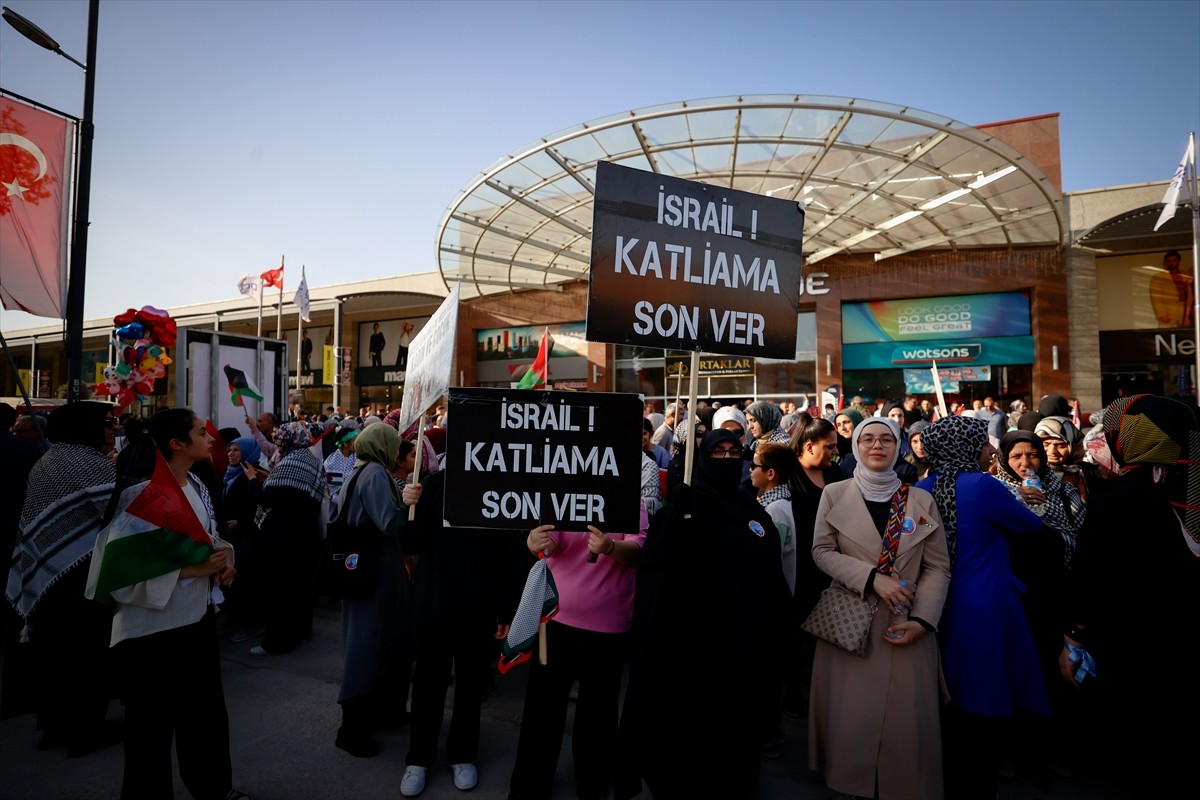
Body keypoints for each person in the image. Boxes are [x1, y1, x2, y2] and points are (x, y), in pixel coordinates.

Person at [84, 408, 249, 800]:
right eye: (201, 432)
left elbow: (205, 541)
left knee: (205, 716)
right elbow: (120, 575)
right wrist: (195, 570)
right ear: (177, 443)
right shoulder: (141, 496)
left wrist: (223, 562)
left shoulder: (195, 484)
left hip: (197, 620)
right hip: (152, 633)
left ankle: (214, 788)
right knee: (150, 729)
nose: (211, 438)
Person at [617, 429, 789, 799]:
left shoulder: (751, 513)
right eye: (718, 452)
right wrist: (678, 523)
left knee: (733, 724)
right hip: (689, 644)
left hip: (738, 644)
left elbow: (767, 575)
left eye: (733, 453)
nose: (726, 459)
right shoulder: (682, 509)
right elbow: (656, 573)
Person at [1058, 395, 1200, 792]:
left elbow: (1090, 576)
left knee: (1138, 744)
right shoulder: (1189, 489)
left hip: (1131, 644)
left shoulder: (1116, 501)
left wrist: (1074, 634)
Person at [808, 416, 950, 800]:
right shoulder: (835, 493)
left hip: (906, 623)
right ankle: (851, 782)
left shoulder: (920, 499)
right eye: (867, 438)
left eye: (886, 439)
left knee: (906, 717)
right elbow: (821, 551)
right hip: (851, 622)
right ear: (855, 446)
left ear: (898, 446)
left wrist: (923, 620)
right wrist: (872, 579)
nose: (876, 446)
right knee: (852, 714)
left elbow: (938, 567)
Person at [918, 417, 1052, 798]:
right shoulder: (983, 486)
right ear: (965, 448)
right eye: (983, 443)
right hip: (986, 605)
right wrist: (1021, 497)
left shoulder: (922, 489)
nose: (992, 450)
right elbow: (1031, 528)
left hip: (936, 606)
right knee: (983, 705)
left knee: (948, 702)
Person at [397, 457, 528, 797]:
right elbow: (410, 542)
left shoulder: (500, 487)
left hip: (478, 608)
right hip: (434, 604)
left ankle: (463, 754)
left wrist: (506, 609)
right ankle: (419, 758)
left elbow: (511, 553)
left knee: (470, 686)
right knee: (427, 685)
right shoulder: (433, 484)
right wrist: (408, 506)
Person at [508, 507, 647, 800]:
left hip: (609, 626)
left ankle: (592, 782)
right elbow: (549, 540)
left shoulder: (629, 498)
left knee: (598, 712)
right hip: (555, 619)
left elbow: (638, 551)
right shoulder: (564, 490)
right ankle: (531, 786)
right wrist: (535, 542)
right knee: (543, 709)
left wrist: (610, 547)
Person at [4, 402, 119, 757]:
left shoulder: (50, 458)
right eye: (107, 422)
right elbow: (117, 513)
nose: (112, 428)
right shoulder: (89, 461)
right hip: (81, 572)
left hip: (49, 572)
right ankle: (87, 732)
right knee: (88, 654)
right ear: (86, 427)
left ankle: (54, 727)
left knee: (54, 654)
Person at [336, 423, 415, 758]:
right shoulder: (375, 475)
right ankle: (351, 729)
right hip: (375, 575)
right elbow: (390, 523)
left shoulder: (360, 472)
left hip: (367, 573)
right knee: (368, 646)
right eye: (394, 444)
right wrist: (410, 505)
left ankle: (382, 713)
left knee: (377, 643)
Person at [781, 416, 844, 719]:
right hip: (797, 570)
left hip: (830, 571)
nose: (835, 452)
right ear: (809, 446)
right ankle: (797, 701)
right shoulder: (787, 476)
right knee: (795, 639)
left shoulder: (836, 474)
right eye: (829, 446)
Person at [251, 422, 326, 656]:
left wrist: (252, 480)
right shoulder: (309, 459)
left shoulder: (291, 462)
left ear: (290, 440)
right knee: (299, 587)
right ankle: (300, 632)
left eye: (280, 438)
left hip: (285, 537)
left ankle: (277, 642)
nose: (277, 442)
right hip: (305, 535)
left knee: (281, 590)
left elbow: (268, 498)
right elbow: (291, 492)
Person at [219, 437, 268, 645]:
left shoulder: (252, 474)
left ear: (247, 452)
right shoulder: (231, 474)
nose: (230, 454)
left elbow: (259, 505)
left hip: (249, 538)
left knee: (248, 582)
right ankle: (236, 619)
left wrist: (241, 522)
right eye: (229, 450)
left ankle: (252, 623)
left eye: (236, 450)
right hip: (233, 538)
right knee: (235, 581)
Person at [1148, 250, 1192, 328]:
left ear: (1179, 261)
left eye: (1174, 260)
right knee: (1166, 333)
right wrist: (1161, 314)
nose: (1171, 263)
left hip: (1185, 310)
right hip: (1168, 310)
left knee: (1185, 333)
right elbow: (1155, 298)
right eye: (1169, 261)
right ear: (1166, 262)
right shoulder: (1158, 277)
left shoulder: (1186, 275)